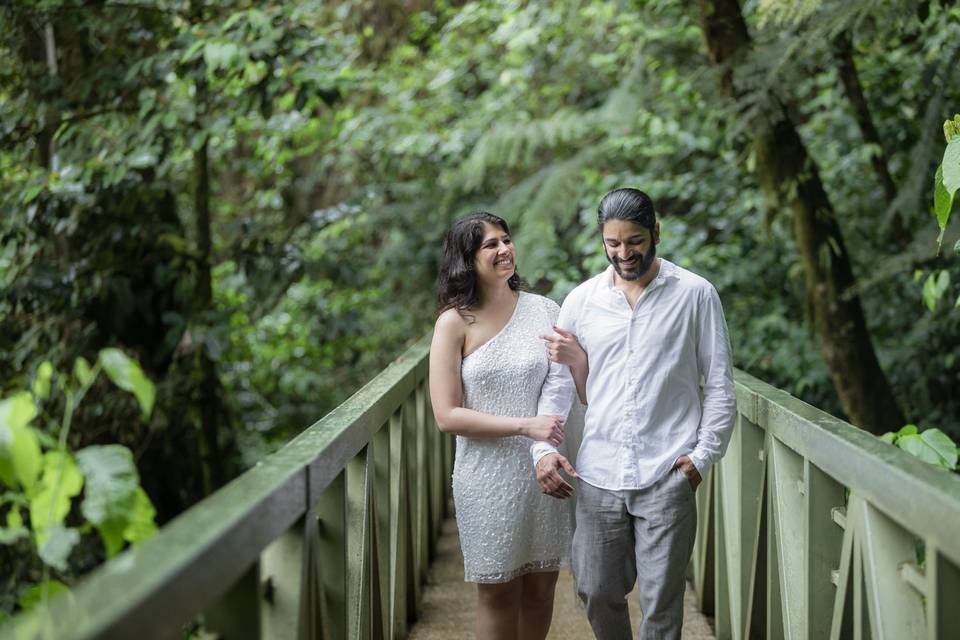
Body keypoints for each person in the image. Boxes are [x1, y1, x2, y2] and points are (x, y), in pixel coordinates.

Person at [533, 188, 737, 640]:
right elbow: (560, 385)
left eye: (635, 241)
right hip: (599, 472)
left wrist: (701, 458)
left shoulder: (696, 295)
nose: (624, 253)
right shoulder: (582, 300)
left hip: (668, 471)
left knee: (662, 603)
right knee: (594, 588)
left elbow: (721, 383)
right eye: (614, 243)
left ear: (656, 232)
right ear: (602, 240)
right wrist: (541, 451)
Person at [429, 211, 576, 640]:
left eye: (506, 240)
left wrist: (544, 441)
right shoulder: (454, 322)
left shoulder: (545, 310)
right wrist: (524, 426)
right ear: (467, 259)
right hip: (485, 474)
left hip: (541, 468)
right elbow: (446, 415)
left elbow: (563, 382)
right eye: (489, 244)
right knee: (497, 591)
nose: (503, 249)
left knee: (541, 587)